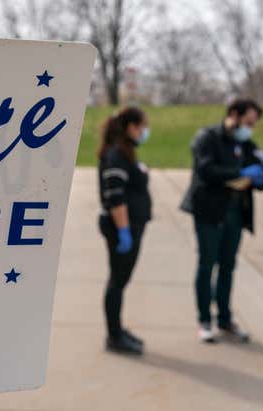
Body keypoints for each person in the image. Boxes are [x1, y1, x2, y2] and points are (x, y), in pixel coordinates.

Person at [180, 99, 263, 343]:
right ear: (233, 114)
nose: (250, 128)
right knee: (207, 264)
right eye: (248, 122)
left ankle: (225, 318)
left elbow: (259, 170)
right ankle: (204, 320)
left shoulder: (247, 145)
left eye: (254, 124)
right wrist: (238, 173)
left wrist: (262, 178)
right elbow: (205, 169)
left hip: (236, 213)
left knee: (228, 266)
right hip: (209, 211)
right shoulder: (207, 138)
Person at [98, 106, 152, 355]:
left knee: (120, 281)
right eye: (142, 126)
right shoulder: (116, 155)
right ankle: (114, 336)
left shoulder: (126, 153)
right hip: (122, 229)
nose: (144, 131)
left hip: (130, 226)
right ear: (131, 127)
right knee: (117, 282)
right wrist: (124, 231)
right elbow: (115, 197)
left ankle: (117, 329)